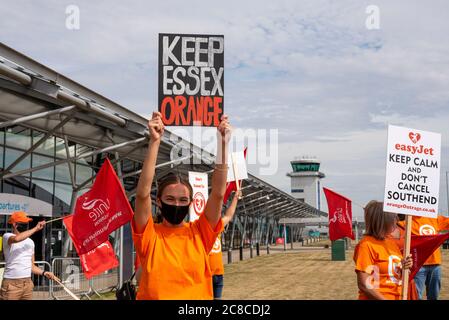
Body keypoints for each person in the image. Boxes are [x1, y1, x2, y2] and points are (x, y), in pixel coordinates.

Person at [132, 111, 231, 300]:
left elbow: (218, 194)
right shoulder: (149, 236)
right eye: (170, 199)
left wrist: (223, 144)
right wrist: (154, 142)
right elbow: (142, 195)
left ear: (191, 204)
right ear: (158, 202)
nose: (176, 204)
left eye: (183, 200)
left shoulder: (201, 233)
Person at [353, 201, 413, 300]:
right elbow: (365, 285)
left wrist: (404, 267)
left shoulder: (391, 243)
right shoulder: (366, 245)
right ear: (382, 221)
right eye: (393, 218)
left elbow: (392, 275)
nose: (396, 221)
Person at [1, 211, 59, 300]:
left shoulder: (30, 242)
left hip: (27, 284)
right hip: (11, 285)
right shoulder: (7, 236)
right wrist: (36, 228)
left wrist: (44, 273)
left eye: (26, 223)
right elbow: (17, 239)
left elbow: (31, 266)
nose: (26, 225)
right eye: (23, 223)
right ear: (14, 224)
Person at [397, 215, 449, 300]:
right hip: (418, 264)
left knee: (434, 295)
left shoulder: (434, 218)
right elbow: (392, 225)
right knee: (417, 296)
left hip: (435, 264)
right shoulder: (408, 219)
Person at [209, 189, 241, 300]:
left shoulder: (218, 227)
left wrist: (235, 198)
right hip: (206, 276)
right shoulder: (200, 230)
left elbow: (229, 215)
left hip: (218, 274)